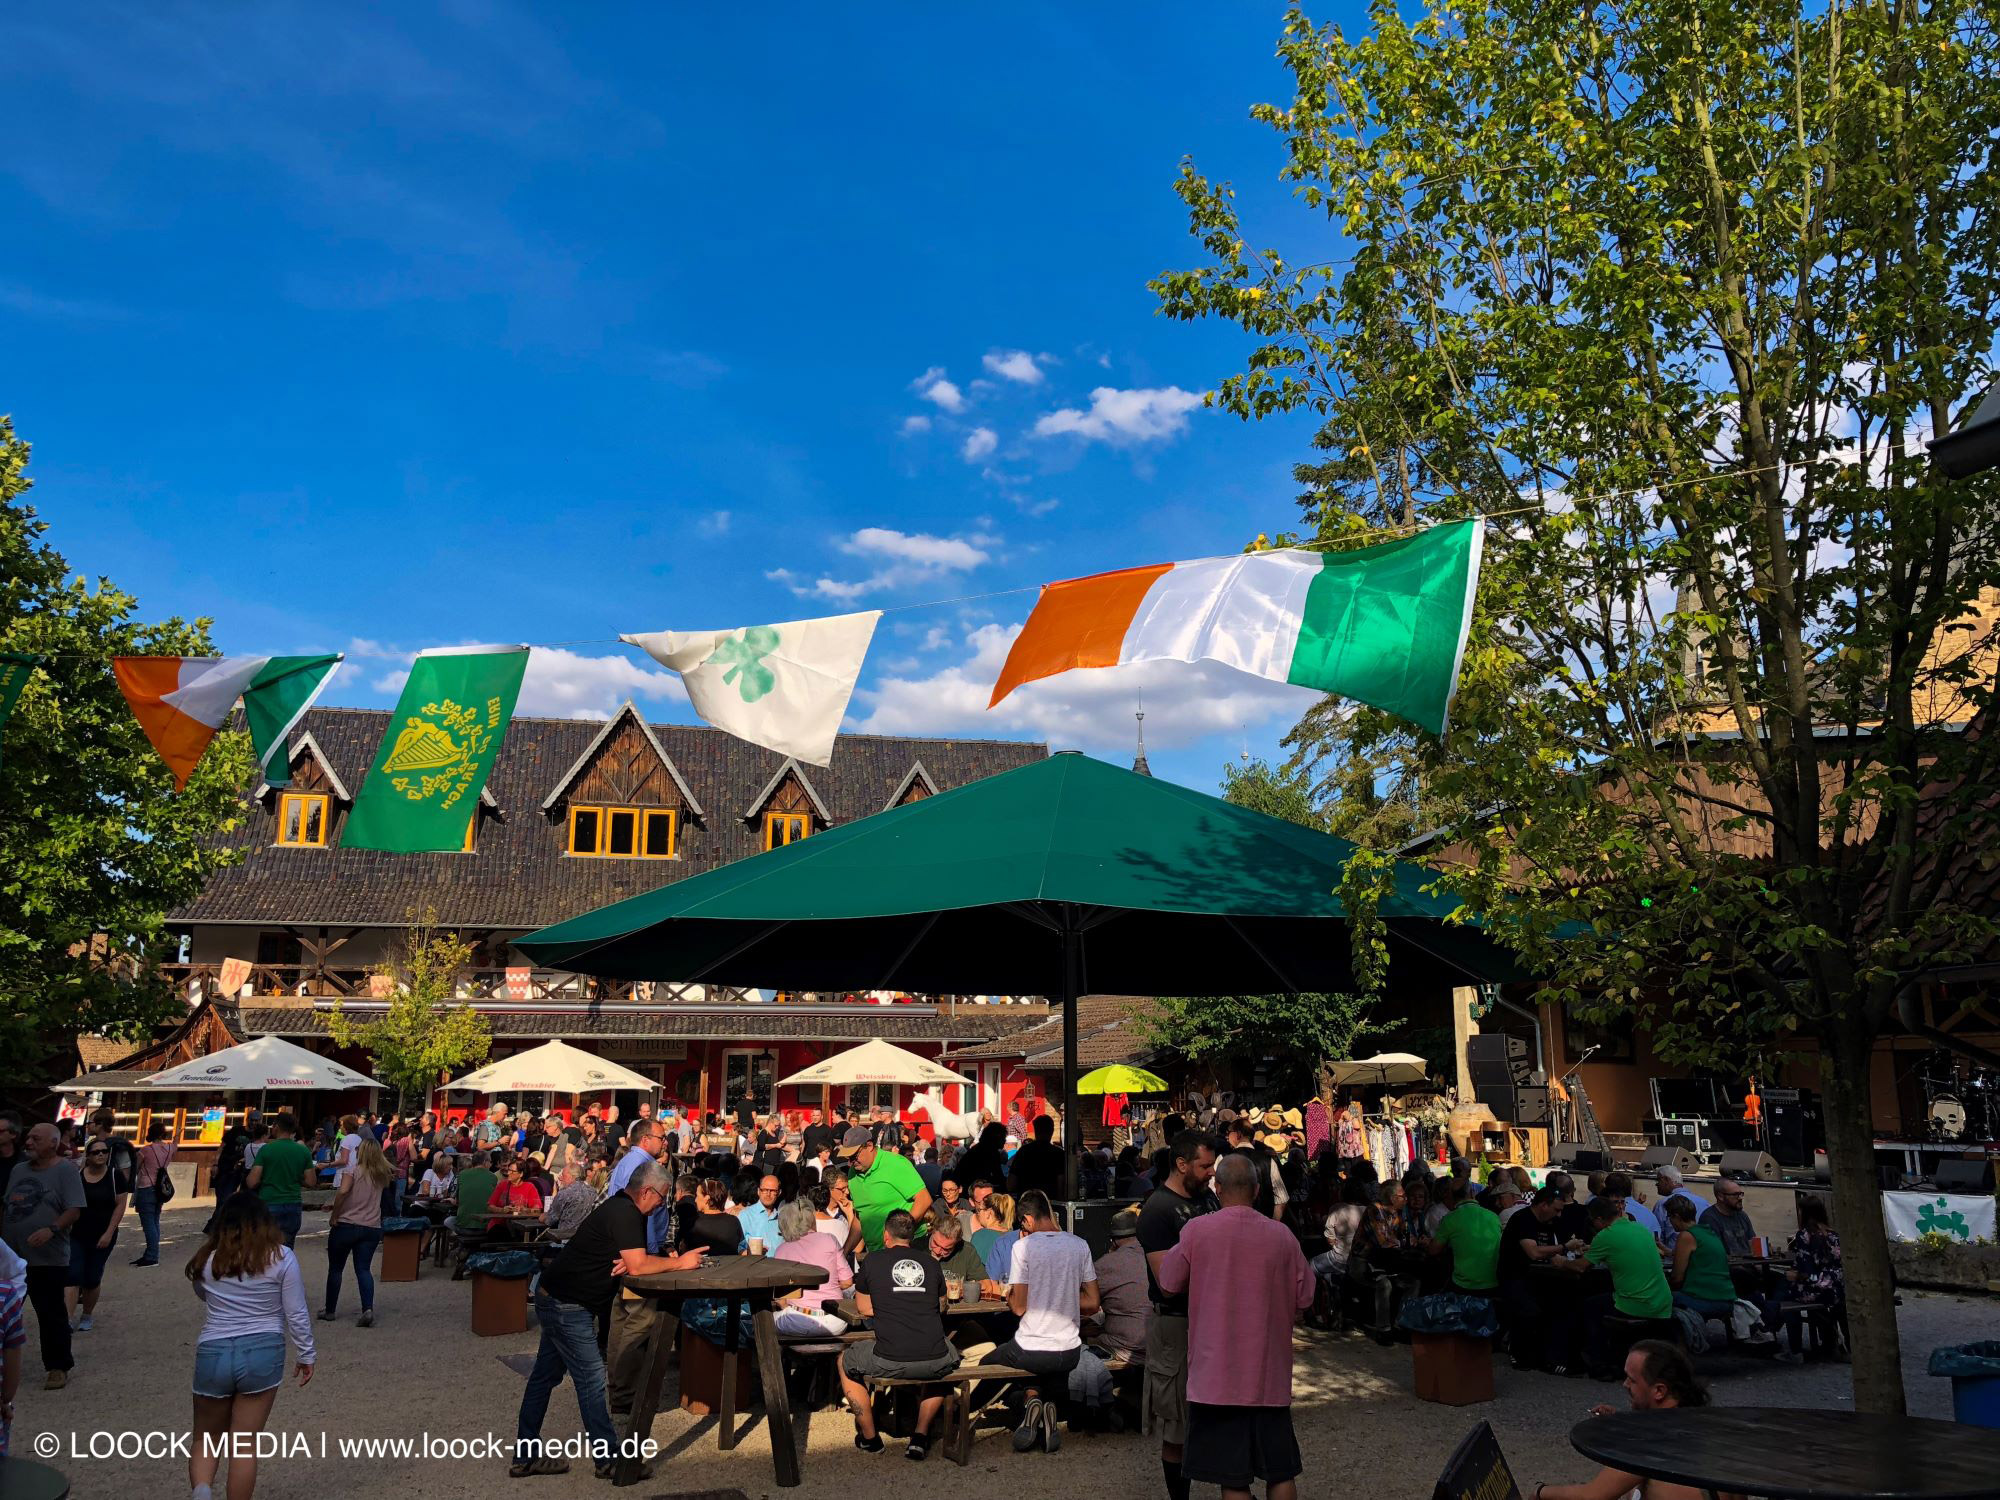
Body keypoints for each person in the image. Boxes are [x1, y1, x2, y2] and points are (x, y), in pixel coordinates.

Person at [512, 1159, 703, 1481]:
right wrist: (681, 1263)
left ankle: (525, 1456)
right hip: (568, 1304)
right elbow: (640, 1265)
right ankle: (609, 1459)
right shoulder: (626, 1213)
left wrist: (629, 1261)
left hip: (557, 1295)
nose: (663, 1205)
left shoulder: (619, 1209)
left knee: (544, 1378)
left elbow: (631, 1259)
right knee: (590, 1380)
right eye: (662, 1197)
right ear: (647, 1191)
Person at [1158, 1153, 1315, 1500]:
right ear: (1258, 1190)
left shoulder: (1198, 1231)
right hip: (1269, 1376)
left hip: (1217, 1379)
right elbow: (1305, 1298)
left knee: (1233, 1480)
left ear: (1217, 1187)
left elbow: (1168, 1282)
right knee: (1281, 1471)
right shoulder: (1283, 1237)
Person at [186, 1193, 314, 1500]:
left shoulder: (207, 1260)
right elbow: (295, 1311)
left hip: (214, 1349)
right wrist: (306, 1353)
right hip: (263, 1349)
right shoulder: (282, 1257)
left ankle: (202, 1489)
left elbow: (204, 1295)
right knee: (244, 1443)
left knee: (206, 1436)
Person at [1532, 1340, 1720, 1500]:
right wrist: (1623, 1424)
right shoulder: (1697, 1421)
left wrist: (1540, 1491)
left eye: (1632, 1380)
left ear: (1659, 1391)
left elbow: (1593, 1495)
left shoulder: (1652, 1438)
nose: (1625, 1384)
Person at [839, 1208, 957, 1460]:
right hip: (933, 1356)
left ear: (885, 1236)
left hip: (889, 1356)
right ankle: (920, 1435)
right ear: (912, 1237)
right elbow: (941, 1305)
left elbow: (863, 1308)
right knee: (947, 1362)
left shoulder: (872, 1261)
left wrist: (890, 1303)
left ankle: (870, 1438)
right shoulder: (930, 1263)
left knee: (844, 1361)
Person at [1139, 1129, 1219, 1500]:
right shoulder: (1157, 1210)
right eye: (1205, 1166)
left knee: (1215, 1415)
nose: (1210, 1173)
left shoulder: (1209, 1200)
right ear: (1181, 1164)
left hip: (1210, 1322)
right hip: (1175, 1323)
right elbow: (1167, 1282)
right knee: (1177, 1425)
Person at [991, 1189, 1098, 1454]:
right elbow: (1093, 1302)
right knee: (1046, 1369)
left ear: (1027, 1220)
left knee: (990, 1362)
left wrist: (1009, 1294)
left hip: (1031, 1348)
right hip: (1069, 1350)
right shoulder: (1079, 1244)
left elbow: (1018, 1307)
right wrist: (1063, 1300)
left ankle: (1029, 1405)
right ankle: (1046, 1406)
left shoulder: (1023, 1246)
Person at [1555, 1196, 1674, 1377]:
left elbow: (1580, 1266)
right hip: (1662, 1301)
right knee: (1602, 1299)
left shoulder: (1606, 1235)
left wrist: (1561, 1261)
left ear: (1598, 1220)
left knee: (1589, 1306)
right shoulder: (1639, 1228)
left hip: (1635, 1303)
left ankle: (1600, 1363)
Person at [3, 1123, 83, 1389]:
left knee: (50, 1313)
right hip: (11, 1259)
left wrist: (52, 1229)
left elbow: (74, 1210)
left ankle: (58, 1366)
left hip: (47, 1258)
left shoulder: (65, 1171)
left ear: (53, 1143)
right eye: (28, 1138)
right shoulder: (18, 1170)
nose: (29, 1142)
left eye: (36, 1139)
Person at [64, 1133, 128, 1335]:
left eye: (104, 1152)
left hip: (103, 1233)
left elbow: (120, 1206)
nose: (101, 1155)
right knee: (72, 1275)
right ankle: (67, 1319)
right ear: (88, 1156)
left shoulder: (115, 1176)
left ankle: (87, 1314)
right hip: (77, 1232)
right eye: (96, 1152)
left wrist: (109, 1232)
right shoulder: (78, 1175)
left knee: (92, 1276)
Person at [1499, 1186, 1569, 1369]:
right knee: (1530, 1310)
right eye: (1557, 1210)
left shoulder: (1550, 1223)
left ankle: (1551, 1358)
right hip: (1514, 1277)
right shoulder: (1523, 1219)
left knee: (1560, 1304)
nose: (1559, 1215)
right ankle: (1519, 1352)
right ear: (1544, 1205)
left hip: (1538, 1277)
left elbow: (1550, 1249)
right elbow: (1534, 1252)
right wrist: (1565, 1248)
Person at [840, 1126, 931, 1251]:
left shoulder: (895, 1163)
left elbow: (924, 1199)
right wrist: (845, 1252)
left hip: (908, 1246)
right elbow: (861, 1215)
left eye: (854, 1156)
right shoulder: (853, 1173)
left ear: (870, 1146)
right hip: (876, 1251)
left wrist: (899, 1236)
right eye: (848, 1158)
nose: (851, 1162)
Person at [773, 1197, 852, 1336]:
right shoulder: (829, 1240)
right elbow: (847, 1281)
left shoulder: (782, 1249)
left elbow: (779, 1296)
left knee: (760, 1323)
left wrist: (787, 1307)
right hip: (835, 1320)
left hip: (797, 1319)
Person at [1781, 1195, 1844, 1360]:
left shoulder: (1804, 1235)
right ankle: (1828, 1341)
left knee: (1782, 1292)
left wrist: (1794, 1275)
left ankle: (1793, 1347)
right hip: (1837, 1285)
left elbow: (1807, 1270)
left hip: (1818, 1286)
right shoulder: (1833, 1235)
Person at [1662, 1195, 1737, 1325]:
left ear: (1677, 1217)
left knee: (1659, 1298)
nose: (1670, 1222)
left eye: (1670, 1217)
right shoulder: (1707, 1232)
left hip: (1706, 1299)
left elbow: (1676, 1278)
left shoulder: (1686, 1236)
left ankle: (1675, 1342)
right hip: (1727, 1297)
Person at [1087, 1205, 1149, 1358]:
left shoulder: (1106, 1263)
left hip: (1127, 1345)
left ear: (1113, 1241)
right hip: (1161, 1343)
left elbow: (1087, 1302)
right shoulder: (1155, 1255)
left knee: (1085, 1339)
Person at [246, 1114, 311, 1250]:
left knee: (264, 1248)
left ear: (276, 1126)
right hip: (293, 1203)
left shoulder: (267, 1149)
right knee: (286, 1249)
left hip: (269, 1201)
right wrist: (296, 1177)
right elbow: (311, 1181)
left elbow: (252, 1182)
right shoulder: (303, 1151)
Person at [1429, 1177, 1501, 1297]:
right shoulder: (1493, 1216)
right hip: (1493, 1284)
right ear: (1473, 1193)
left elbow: (1433, 1251)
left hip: (1463, 1286)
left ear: (1451, 1196)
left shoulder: (1449, 1219)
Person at [1007, 1114, 1065, 1199]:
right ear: (1051, 1131)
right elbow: (1061, 1183)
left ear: (1035, 1130)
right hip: (1050, 1203)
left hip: (1026, 1202)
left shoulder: (1024, 1152)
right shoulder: (1058, 1153)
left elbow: (1011, 1185)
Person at [1697, 1178, 1757, 1256]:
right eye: (1735, 1195)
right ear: (1720, 1196)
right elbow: (1714, 1252)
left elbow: (1752, 1243)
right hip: (1727, 1266)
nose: (1740, 1198)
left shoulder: (1742, 1215)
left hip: (1749, 1264)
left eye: (1741, 1194)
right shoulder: (1709, 1218)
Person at [925, 1209, 987, 1284]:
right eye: (935, 1243)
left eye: (946, 1249)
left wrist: (958, 1288)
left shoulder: (967, 1250)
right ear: (932, 1231)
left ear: (956, 1243)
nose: (937, 1251)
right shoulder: (916, 1247)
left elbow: (986, 1285)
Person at [972, 1193, 1019, 1289]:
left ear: (989, 1213)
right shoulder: (1015, 1236)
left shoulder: (980, 1236)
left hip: (990, 1291)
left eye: (979, 1210)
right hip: (1012, 1289)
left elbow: (971, 1269)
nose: (978, 1214)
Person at [540, 1163, 595, 1241]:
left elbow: (550, 1220)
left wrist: (542, 1217)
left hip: (564, 1239)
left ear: (571, 1177)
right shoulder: (593, 1191)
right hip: (586, 1238)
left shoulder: (565, 1193)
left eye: (563, 1175)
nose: (560, 1178)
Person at [487, 1158, 543, 1231]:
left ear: (521, 1174)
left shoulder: (529, 1187)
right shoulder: (502, 1185)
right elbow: (490, 1206)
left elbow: (537, 1210)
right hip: (499, 1226)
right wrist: (502, 1210)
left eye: (512, 1171)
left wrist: (524, 1210)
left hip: (519, 1227)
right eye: (508, 1170)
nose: (508, 1173)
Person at [952, 1122, 1010, 1192]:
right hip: (970, 1190)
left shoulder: (978, 1149)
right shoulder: (990, 1152)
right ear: (996, 1137)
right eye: (1003, 1137)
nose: (1005, 1140)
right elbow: (998, 1177)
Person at [1654, 1165, 1701, 1250]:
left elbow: (1658, 1237)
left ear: (1666, 1180)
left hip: (1673, 1259)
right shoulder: (1703, 1202)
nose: (1656, 1184)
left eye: (1658, 1180)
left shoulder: (1662, 1204)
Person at [737, 1173, 783, 1255]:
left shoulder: (782, 1218)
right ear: (758, 1191)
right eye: (764, 1190)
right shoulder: (746, 1215)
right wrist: (752, 1252)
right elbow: (738, 1248)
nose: (768, 1194)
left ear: (779, 1192)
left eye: (772, 1191)